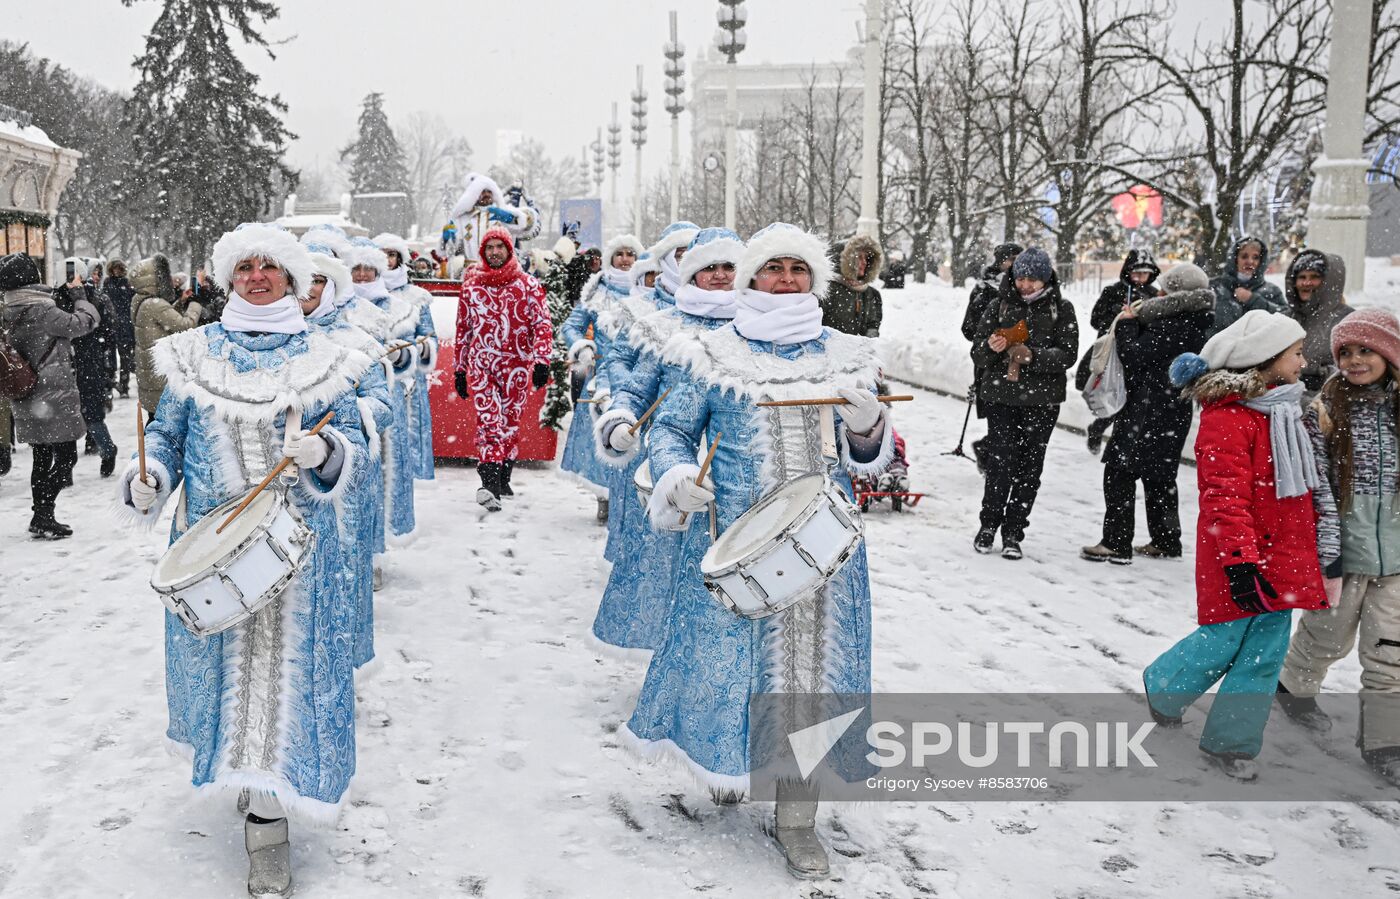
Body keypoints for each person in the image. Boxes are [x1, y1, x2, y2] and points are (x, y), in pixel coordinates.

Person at [625, 223, 889, 880]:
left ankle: (798, 815)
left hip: (824, 549)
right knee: (729, 669)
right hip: (732, 538)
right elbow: (673, 433)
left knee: (810, 677)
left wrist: (867, 426)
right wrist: (676, 478)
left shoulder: (848, 354)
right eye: (773, 268)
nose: (788, 280)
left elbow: (872, 454)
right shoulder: (710, 354)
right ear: (749, 279)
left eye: (799, 270)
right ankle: (726, 763)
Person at [118, 223, 368, 897]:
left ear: (291, 278)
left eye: (271, 267)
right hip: (212, 550)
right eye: (246, 267)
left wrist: (328, 453)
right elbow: (166, 434)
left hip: (301, 556)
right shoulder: (192, 353)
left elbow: (356, 439)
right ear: (231, 279)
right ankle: (249, 779)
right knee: (227, 689)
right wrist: (151, 479)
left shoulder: (328, 354)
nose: (257, 277)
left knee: (282, 694)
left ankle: (268, 824)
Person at [1144, 309, 1328, 780]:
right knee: (1223, 640)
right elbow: (1224, 499)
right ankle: (1164, 686)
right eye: (1296, 353)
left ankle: (1233, 743)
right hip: (1240, 555)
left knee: (1265, 654)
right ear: (1265, 359)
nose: (1304, 363)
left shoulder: (1288, 412)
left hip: (1283, 553)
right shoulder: (1228, 419)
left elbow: (1303, 491)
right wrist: (1240, 563)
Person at [591, 227, 746, 652]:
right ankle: (666, 657)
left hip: (730, 481)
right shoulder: (662, 326)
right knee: (663, 570)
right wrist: (620, 418)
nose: (718, 276)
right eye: (706, 267)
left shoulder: (756, 327)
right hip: (667, 462)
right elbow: (636, 385)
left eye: (727, 266)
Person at [1275, 309, 1400, 784]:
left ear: (1389, 353)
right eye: (1345, 352)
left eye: (1365, 350)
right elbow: (1319, 486)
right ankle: (1294, 689)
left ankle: (1385, 741)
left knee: (1391, 648)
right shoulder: (1325, 410)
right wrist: (1326, 544)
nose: (1353, 360)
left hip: (1396, 554)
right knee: (1327, 633)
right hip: (1346, 549)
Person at [1081, 263, 1213, 564]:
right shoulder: (1198, 319)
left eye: (1165, 287)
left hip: (1148, 408)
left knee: (1119, 471)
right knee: (1160, 476)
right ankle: (1166, 540)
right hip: (1171, 410)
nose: (1159, 292)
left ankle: (1116, 542)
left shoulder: (1174, 321)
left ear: (1176, 292)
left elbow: (1136, 357)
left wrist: (1128, 324)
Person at [302, 246, 393, 669]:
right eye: (302, 280)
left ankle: (341, 663)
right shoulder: (276, 341)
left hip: (344, 476)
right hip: (291, 479)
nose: (308, 289)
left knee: (343, 571)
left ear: (331, 288)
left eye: (317, 281)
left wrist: (339, 427)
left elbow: (382, 403)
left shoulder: (357, 343)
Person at [969, 247, 1078, 560]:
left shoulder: (1062, 309)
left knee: (1030, 469)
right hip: (1002, 398)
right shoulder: (998, 305)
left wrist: (1033, 356)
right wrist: (991, 346)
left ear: (1045, 279)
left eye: (1033, 279)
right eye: (1021, 278)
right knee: (1000, 464)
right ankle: (988, 525)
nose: (1026, 285)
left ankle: (1014, 532)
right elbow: (977, 352)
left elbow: (1067, 354)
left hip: (1041, 403)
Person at [453, 226, 553, 510]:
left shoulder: (528, 285)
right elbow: (463, 331)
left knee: (509, 423)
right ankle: (489, 483)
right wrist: (459, 369)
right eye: (489, 247)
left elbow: (542, 326)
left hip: (517, 368)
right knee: (489, 424)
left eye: (500, 247)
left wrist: (542, 361)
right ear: (482, 252)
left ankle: (504, 475)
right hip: (482, 368)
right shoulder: (471, 287)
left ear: (509, 250)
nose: (494, 252)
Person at [0, 252, 99, 538]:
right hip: (52, 397)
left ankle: (42, 515)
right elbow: (83, 323)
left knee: (41, 458)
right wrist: (80, 296)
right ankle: (44, 512)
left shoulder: (10, 310)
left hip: (27, 395)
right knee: (67, 457)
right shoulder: (42, 311)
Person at [557, 234, 645, 520]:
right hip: (604, 377)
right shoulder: (597, 292)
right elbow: (571, 326)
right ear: (610, 259)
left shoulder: (647, 290)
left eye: (630, 254)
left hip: (638, 377)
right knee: (605, 437)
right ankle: (605, 498)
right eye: (619, 254)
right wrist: (583, 346)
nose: (625, 259)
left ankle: (631, 497)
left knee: (635, 437)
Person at [347, 237, 420, 542]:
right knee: (354, 477)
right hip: (350, 400)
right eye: (357, 268)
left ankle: (381, 545)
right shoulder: (339, 305)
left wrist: (400, 355)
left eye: (369, 268)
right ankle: (363, 546)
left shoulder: (398, 308)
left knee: (387, 473)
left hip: (388, 399)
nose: (362, 274)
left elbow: (418, 347)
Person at [1076, 250, 1162, 454]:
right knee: (1112, 392)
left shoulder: (1152, 294)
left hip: (1137, 353)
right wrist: (1118, 315)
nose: (1140, 277)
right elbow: (1096, 319)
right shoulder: (1112, 291)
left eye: (1145, 273)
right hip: (1111, 354)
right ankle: (1100, 428)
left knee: (1131, 398)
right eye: (1136, 273)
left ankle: (1116, 438)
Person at [375, 232, 439, 481]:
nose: (387, 261)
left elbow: (429, 337)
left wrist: (410, 352)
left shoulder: (417, 296)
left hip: (409, 381)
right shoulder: (365, 294)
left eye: (392, 255)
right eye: (382, 255)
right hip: (379, 378)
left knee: (408, 436)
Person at [961, 242, 1022, 468]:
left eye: (1018, 259)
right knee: (995, 411)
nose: (1014, 265)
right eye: (1010, 259)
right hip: (990, 361)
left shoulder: (1025, 288)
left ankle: (994, 451)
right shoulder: (984, 289)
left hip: (1019, 360)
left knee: (1016, 414)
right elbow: (969, 328)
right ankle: (991, 454)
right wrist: (988, 338)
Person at [67, 256, 120, 477]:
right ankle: (65, 469)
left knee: (93, 416)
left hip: (90, 364)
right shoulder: (59, 296)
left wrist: (108, 366)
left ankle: (107, 450)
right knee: (66, 418)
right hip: (67, 364)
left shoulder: (97, 298)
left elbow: (108, 333)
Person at [133, 254, 203, 415]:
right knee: (162, 424)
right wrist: (196, 302)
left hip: (150, 372)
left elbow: (164, 319)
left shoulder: (141, 300)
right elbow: (186, 325)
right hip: (159, 376)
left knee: (155, 421)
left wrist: (181, 302)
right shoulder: (154, 304)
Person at [1285, 250, 1351, 399]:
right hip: (1286, 400)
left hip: (1330, 403)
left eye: (1314, 277)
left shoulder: (1347, 320)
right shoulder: (1285, 318)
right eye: (1302, 277)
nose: (1306, 283)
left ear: (1330, 281)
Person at [447, 172, 539, 265]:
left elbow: (528, 226)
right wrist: (448, 239)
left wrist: (511, 219)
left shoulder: (503, 211)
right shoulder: (464, 218)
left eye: (489, 191)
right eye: (482, 191)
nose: (486, 194)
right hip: (472, 271)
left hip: (500, 272)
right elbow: (453, 250)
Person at [1209, 235, 1286, 336]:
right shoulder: (1215, 287)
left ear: (1261, 262)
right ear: (1235, 259)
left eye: (1256, 257)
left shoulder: (1272, 291)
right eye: (1244, 256)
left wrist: (1253, 300)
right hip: (1218, 350)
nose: (1250, 261)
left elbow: (1285, 318)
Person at [821, 234, 884, 337]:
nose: (864, 262)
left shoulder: (871, 294)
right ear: (844, 261)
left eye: (867, 257)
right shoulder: (826, 290)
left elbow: (873, 322)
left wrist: (871, 332)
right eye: (859, 257)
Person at [102, 259, 138, 397]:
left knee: (125, 358)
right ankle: (110, 385)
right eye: (114, 268)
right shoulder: (107, 283)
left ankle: (124, 386)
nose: (117, 271)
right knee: (110, 359)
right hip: (111, 325)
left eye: (119, 268)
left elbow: (131, 302)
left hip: (125, 326)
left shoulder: (127, 284)